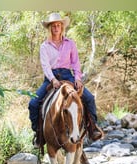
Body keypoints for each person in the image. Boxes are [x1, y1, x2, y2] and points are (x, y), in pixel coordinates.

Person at [28, 12, 102, 147]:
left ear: (62, 27)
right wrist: (52, 80)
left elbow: (75, 63)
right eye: (53, 26)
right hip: (51, 77)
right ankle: (38, 134)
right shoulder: (44, 46)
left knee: (89, 98)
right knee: (33, 103)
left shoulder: (70, 43)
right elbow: (45, 66)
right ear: (50, 28)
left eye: (58, 25)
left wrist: (78, 79)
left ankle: (93, 128)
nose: (56, 28)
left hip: (68, 76)